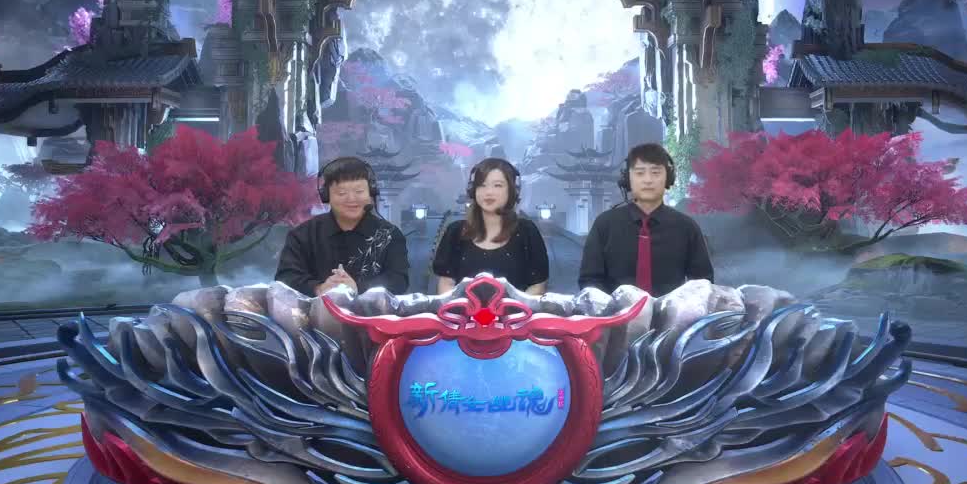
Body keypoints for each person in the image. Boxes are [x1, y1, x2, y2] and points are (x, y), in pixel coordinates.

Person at [578, 142, 714, 297]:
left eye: (656, 173)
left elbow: (702, 285)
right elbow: (589, 282)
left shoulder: (687, 227)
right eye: (640, 173)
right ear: (627, 179)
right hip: (615, 311)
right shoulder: (604, 225)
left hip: (671, 312)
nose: (648, 180)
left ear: (668, 178)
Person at [276, 156, 410, 297]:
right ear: (326, 196)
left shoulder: (389, 235)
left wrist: (358, 288)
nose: (351, 199)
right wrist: (319, 288)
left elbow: (399, 281)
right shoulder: (302, 235)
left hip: (372, 310)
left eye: (359, 191)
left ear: (371, 193)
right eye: (342, 193)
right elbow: (285, 278)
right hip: (315, 311)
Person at [433, 158, 550, 295]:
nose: (488, 192)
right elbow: (446, 283)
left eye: (497, 185)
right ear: (473, 190)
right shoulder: (455, 232)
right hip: (462, 308)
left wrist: (512, 307)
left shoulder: (527, 231)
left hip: (517, 309)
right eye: (482, 185)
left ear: (512, 190)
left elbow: (537, 286)